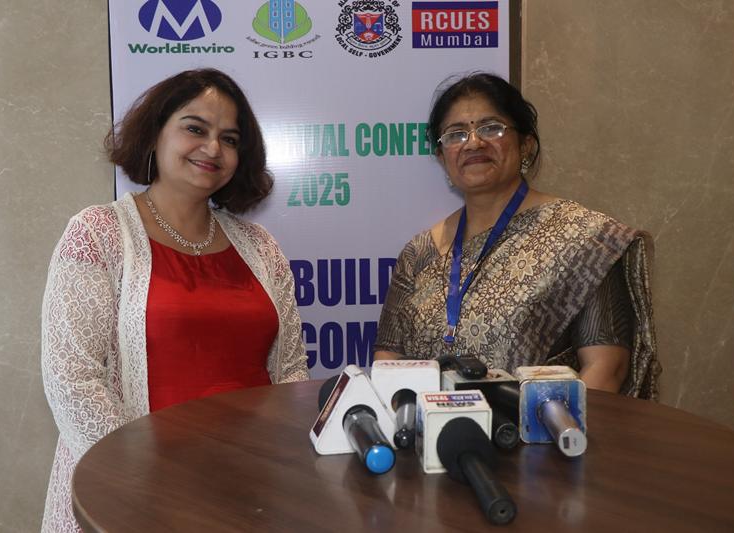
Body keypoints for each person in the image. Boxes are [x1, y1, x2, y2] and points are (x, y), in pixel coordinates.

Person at [40, 69, 309, 532]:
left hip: (248, 491)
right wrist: (145, 477)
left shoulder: (260, 246)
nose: (213, 148)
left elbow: (290, 372)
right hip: (135, 495)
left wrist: (281, 463)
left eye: (229, 139)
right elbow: (73, 380)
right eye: (195, 128)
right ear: (155, 134)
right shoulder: (98, 234)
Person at [374, 72, 660, 399]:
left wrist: (543, 428)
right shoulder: (419, 253)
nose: (473, 143)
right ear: (442, 158)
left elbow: (606, 369)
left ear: (526, 144)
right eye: (456, 134)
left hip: (537, 428)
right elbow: (388, 360)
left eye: (491, 128)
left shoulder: (586, 240)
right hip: (431, 428)